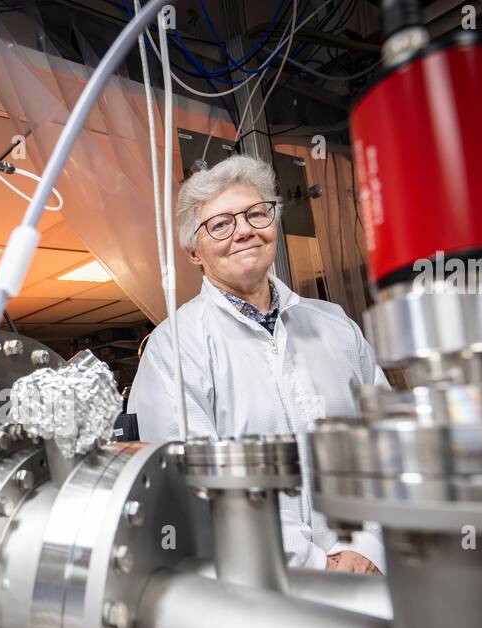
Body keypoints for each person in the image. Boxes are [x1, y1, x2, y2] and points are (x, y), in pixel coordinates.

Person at [128, 154, 387, 574]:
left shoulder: (334, 324)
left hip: (371, 569)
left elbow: (382, 442)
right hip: (265, 586)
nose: (244, 230)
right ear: (195, 252)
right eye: (221, 224)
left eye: (255, 214)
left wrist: (369, 544)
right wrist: (314, 564)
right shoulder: (173, 348)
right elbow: (191, 484)